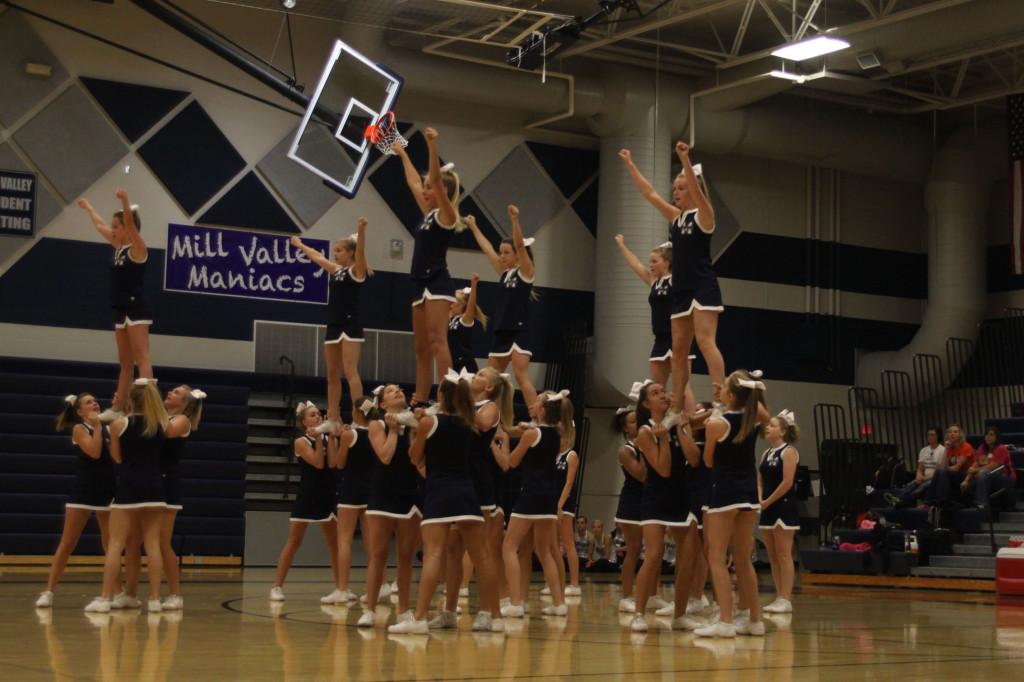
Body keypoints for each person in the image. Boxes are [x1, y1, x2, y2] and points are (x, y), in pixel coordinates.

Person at [387, 369, 503, 634]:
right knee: (480, 556)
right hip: (467, 493)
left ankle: (418, 619)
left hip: (440, 492)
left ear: (442, 395)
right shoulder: (470, 422)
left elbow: (415, 458)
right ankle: (487, 615)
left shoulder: (432, 422)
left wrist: (416, 433)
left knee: (434, 555)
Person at [618, 144, 725, 411]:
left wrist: (684, 159)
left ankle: (721, 396)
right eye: (675, 189)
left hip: (703, 286)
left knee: (705, 341)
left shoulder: (705, 216)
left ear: (693, 188)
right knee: (679, 352)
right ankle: (676, 408)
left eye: (681, 188)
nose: (675, 193)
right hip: (682, 290)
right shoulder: (677, 218)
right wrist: (630, 164)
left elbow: (698, 192)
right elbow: (650, 194)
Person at [695, 370, 769, 638]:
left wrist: (721, 406)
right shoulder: (754, 419)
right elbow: (760, 409)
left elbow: (708, 460)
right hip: (748, 494)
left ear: (731, 394)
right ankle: (755, 620)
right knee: (743, 558)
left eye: (725, 386)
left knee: (716, 557)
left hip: (724, 493)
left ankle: (725, 621)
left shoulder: (716, 424)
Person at [85, 378, 168, 613]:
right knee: (152, 545)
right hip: (154, 488)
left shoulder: (119, 424)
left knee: (116, 544)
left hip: (129, 487)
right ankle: (153, 599)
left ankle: (104, 598)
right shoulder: (161, 424)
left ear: (131, 400)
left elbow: (117, 458)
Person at [392, 130, 462, 407]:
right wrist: (402, 153)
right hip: (419, 283)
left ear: (442, 191)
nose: (424, 189)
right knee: (421, 349)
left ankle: (446, 397)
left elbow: (433, 177)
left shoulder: (448, 215)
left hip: (437, 282)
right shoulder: (428, 214)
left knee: (437, 342)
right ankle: (419, 401)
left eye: (430, 187)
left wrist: (432, 146)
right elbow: (412, 182)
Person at [628, 382, 703, 633]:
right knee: (654, 554)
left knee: (689, 555)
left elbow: (694, 460)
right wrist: (662, 440)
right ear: (646, 404)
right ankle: (639, 613)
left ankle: (680, 615)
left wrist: (680, 428)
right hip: (655, 497)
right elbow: (663, 469)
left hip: (681, 494)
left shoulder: (678, 422)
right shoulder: (644, 431)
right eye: (655, 393)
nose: (662, 395)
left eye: (663, 391)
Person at [497, 391, 574, 618]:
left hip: (530, 495)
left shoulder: (532, 434)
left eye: (538, 402)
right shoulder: (557, 432)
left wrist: (501, 444)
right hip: (549, 497)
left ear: (543, 409)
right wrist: (519, 430)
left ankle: (515, 602)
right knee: (544, 551)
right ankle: (559, 604)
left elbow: (512, 462)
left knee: (508, 547)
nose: (534, 404)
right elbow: (529, 430)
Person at [78, 191, 153, 422]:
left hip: (136, 309)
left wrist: (125, 201)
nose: (113, 230)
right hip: (120, 309)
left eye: (117, 227)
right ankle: (118, 407)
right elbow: (100, 225)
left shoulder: (138, 248)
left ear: (129, 228)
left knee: (142, 358)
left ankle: (147, 406)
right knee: (125, 364)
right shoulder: (118, 246)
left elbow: (129, 223)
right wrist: (89, 208)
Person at [290, 218, 370, 433]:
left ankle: (358, 417)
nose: (335, 254)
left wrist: (361, 231)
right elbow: (317, 257)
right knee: (332, 374)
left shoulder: (357, 272)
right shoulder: (337, 271)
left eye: (339, 251)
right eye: (334, 251)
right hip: (333, 325)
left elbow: (361, 252)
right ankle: (333, 418)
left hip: (350, 324)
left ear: (350, 253)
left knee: (351, 371)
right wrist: (300, 245)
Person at [37, 393, 116, 608]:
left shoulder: (109, 428)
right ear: (80, 411)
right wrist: (98, 426)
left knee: (111, 545)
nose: (95, 403)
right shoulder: (80, 429)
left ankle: (113, 592)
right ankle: (49, 591)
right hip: (83, 491)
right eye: (89, 402)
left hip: (108, 491)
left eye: (95, 400)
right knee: (67, 543)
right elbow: (94, 452)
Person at [359, 385, 423, 627]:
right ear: (382, 404)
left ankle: (404, 610)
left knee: (406, 557)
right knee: (378, 555)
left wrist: (416, 430)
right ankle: (371, 610)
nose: (397, 392)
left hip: (410, 494)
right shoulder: (377, 425)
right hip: (382, 494)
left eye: (399, 390)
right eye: (391, 391)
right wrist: (395, 431)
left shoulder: (415, 423)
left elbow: (416, 458)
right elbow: (385, 456)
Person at [466, 206, 540, 407]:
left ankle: (538, 418)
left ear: (517, 254)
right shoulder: (503, 273)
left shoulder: (526, 272)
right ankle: (489, 417)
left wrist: (515, 221)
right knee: (491, 380)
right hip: (501, 330)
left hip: (519, 330)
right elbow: (488, 249)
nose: (501, 256)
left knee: (520, 376)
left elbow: (521, 246)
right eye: (502, 253)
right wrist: (474, 227)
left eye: (506, 252)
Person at [269, 402, 338, 602]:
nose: (318, 417)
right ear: (303, 421)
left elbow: (332, 463)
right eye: (313, 415)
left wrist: (332, 437)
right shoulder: (301, 441)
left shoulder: (325, 437)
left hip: (327, 494)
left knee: (334, 544)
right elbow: (317, 463)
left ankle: (340, 587)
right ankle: (277, 586)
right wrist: (317, 438)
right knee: (294, 541)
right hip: (307, 495)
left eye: (319, 414)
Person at [321, 395, 377, 605]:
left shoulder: (349, 434)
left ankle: (342, 589)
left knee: (343, 540)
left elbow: (339, 463)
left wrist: (335, 439)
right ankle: (376, 588)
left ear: (355, 413)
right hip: (372, 490)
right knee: (371, 542)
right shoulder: (376, 432)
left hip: (351, 490)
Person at [158, 385, 205, 611]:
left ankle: (175, 593)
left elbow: (165, 431)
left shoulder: (182, 421)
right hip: (149, 481)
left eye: (176, 393)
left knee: (162, 542)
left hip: (168, 484)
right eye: (172, 390)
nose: (169, 393)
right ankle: (130, 593)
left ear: (185, 404)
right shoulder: (162, 415)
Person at [613, 235, 674, 388]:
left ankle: (685, 412)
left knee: (682, 386)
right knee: (656, 386)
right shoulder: (654, 281)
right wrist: (622, 245)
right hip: (660, 338)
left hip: (677, 336)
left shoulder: (677, 279)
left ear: (667, 262)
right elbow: (635, 264)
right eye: (650, 262)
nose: (651, 265)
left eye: (655, 261)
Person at [758, 410, 800, 615]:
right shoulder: (766, 453)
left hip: (783, 506)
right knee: (772, 555)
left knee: (784, 554)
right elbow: (759, 478)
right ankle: (777, 597)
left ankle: (786, 598)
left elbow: (787, 482)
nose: (768, 427)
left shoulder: (789, 451)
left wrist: (767, 501)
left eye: (772, 425)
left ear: (783, 431)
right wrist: (760, 499)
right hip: (766, 507)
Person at [612, 407, 646, 613]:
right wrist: (644, 449)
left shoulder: (648, 442)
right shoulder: (626, 450)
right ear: (625, 428)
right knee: (633, 550)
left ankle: (652, 595)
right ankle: (626, 596)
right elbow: (641, 475)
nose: (638, 424)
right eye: (633, 422)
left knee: (653, 552)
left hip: (651, 502)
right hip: (632, 504)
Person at [887, 427, 945, 507]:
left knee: (921, 487)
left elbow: (938, 470)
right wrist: (919, 476)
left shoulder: (942, 450)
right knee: (910, 485)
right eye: (928, 435)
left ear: (938, 436)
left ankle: (902, 501)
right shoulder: (924, 450)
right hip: (923, 477)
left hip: (934, 478)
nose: (930, 437)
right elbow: (920, 468)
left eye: (932, 435)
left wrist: (924, 478)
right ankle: (897, 499)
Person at [962, 426, 1017, 510]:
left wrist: (976, 470)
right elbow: (975, 464)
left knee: (983, 473)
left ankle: (981, 504)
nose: (988, 437)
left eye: (991, 435)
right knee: (972, 481)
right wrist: (966, 480)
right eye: (986, 435)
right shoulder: (982, 448)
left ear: (996, 437)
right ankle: (970, 509)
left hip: (1004, 477)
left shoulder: (1001, 448)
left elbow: (993, 466)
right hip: (987, 476)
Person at [555, 440, 583, 596]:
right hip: (552, 504)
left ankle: (574, 584)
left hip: (565, 504)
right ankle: (555, 582)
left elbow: (569, 483)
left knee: (567, 543)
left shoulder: (571, 455)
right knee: (554, 544)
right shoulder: (554, 456)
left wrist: (559, 505)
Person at [927, 423, 975, 508]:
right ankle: (931, 501)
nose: (952, 434)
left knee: (942, 472)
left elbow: (957, 468)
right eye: (950, 432)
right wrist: (946, 449)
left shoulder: (966, 447)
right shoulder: (950, 448)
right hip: (954, 475)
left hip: (967, 475)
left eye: (955, 432)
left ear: (960, 435)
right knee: (939, 471)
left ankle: (940, 500)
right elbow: (942, 466)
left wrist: (946, 468)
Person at [448, 274, 485, 373]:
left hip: (465, 364)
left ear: (461, 304)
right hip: (451, 362)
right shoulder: (449, 318)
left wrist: (474, 286)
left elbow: (471, 305)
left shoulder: (465, 320)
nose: (450, 304)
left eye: (453, 301)